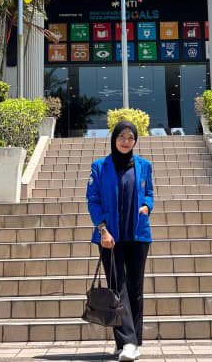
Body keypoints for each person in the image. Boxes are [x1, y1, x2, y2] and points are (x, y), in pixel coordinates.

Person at [86, 120, 154, 361]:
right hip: (110, 238)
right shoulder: (99, 167)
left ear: (135, 141)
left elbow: (149, 193)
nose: (126, 141)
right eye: (122, 137)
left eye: (130, 137)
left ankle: (131, 342)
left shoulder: (144, 165)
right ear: (114, 139)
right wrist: (103, 229)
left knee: (135, 289)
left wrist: (147, 206)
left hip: (138, 235)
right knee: (118, 287)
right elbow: (93, 200)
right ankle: (128, 342)